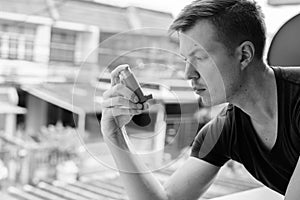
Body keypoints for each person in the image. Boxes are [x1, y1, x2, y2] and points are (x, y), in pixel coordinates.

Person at [100, 0, 300, 199]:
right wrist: (115, 135)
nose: (188, 73)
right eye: (187, 60)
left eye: (200, 57)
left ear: (244, 55)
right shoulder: (225, 129)